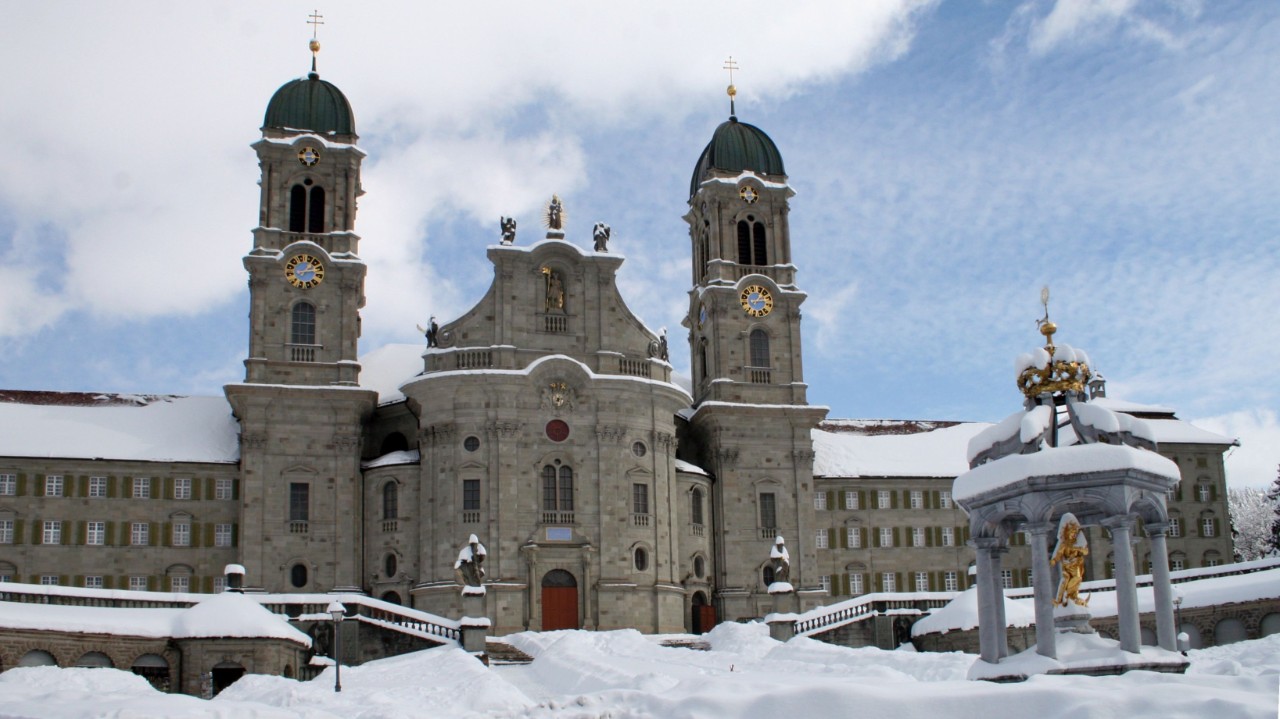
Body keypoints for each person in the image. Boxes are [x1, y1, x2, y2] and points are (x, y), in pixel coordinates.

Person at [1052, 514, 1090, 607]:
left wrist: (1080, 549)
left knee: (1078, 579)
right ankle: (1067, 595)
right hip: (1068, 565)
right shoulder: (1064, 544)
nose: (1073, 534)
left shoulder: (1078, 542)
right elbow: (1059, 553)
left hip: (1077, 564)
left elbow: (1086, 551)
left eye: (1074, 532)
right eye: (1072, 532)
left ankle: (1070, 595)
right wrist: (1054, 560)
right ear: (1067, 532)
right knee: (1075, 578)